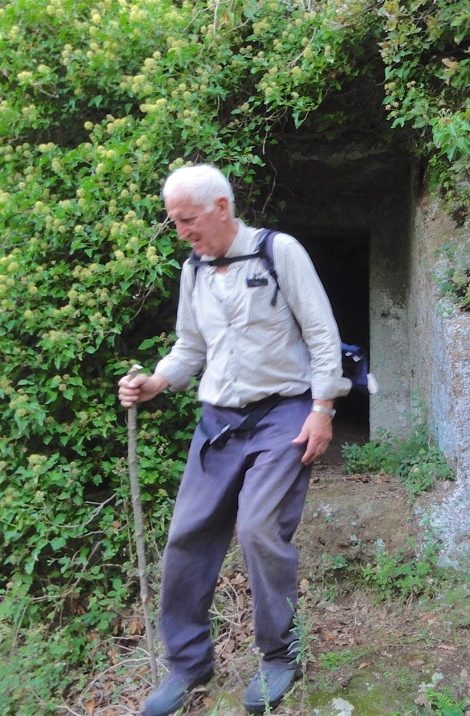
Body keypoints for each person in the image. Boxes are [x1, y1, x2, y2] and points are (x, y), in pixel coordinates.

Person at [118, 164, 351, 716]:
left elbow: (322, 333)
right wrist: (156, 381)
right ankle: (188, 665)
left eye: (187, 220)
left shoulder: (277, 252)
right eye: (175, 222)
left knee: (259, 527)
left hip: (284, 413)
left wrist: (322, 409)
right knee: (188, 533)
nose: (182, 232)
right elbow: (189, 347)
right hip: (218, 421)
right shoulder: (193, 271)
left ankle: (280, 654)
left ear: (220, 207)